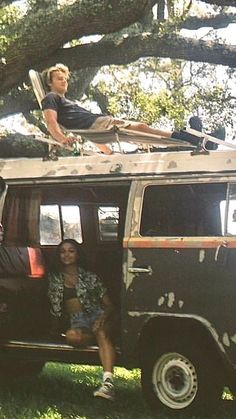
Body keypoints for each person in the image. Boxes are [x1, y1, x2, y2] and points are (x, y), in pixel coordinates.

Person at [41, 63, 199, 153]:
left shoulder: (68, 102)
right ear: (50, 83)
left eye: (65, 79)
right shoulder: (51, 98)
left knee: (142, 131)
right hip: (100, 125)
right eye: (59, 79)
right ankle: (188, 139)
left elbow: (88, 133)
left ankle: (189, 139)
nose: (64, 82)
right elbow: (51, 122)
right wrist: (62, 139)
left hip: (98, 126)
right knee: (141, 129)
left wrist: (108, 153)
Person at [48, 238, 117, 401]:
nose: (66, 254)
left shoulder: (90, 276)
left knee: (101, 332)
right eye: (63, 251)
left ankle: (108, 384)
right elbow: (54, 308)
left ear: (78, 254)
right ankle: (97, 338)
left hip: (98, 314)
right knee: (73, 337)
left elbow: (110, 306)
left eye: (71, 251)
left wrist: (101, 319)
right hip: (77, 321)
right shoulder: (54, 278)